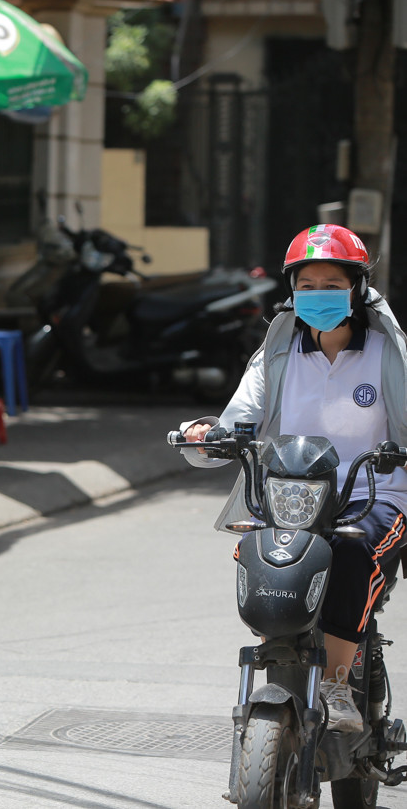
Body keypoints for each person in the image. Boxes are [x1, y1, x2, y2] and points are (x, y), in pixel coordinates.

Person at [178, 223, 406, 734]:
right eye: (306, 285)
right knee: (264, 556)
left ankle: (338, 687)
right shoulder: (276, 356)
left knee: (351, 553)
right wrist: (206, 435)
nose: (317, 295)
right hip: (291, 500)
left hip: (375, 497)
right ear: (291, 291)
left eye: (331, 284)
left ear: (358, 288)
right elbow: (237, 424)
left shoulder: (391, 356)